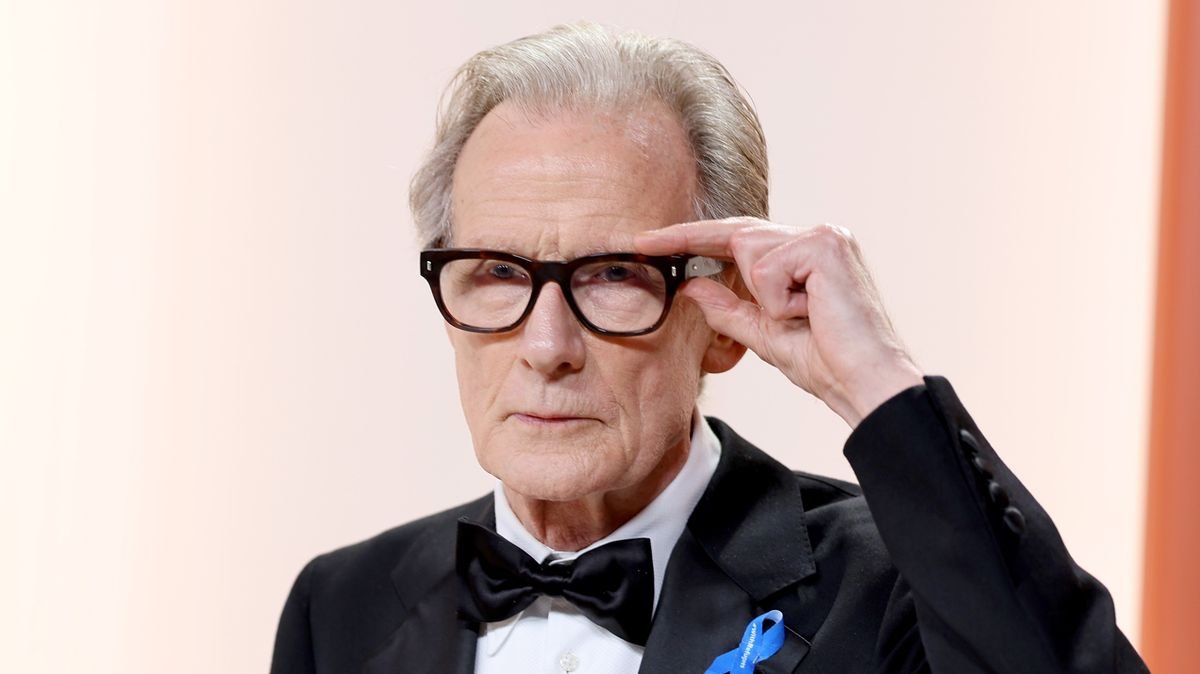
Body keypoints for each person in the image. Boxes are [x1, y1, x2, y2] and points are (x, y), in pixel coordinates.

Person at [270, 22, 1147, 674]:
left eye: (614, 275)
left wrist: (879, 385)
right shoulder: (341, 606)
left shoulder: (890, 588)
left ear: (722, 322)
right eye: (498, 272)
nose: (546, 346)